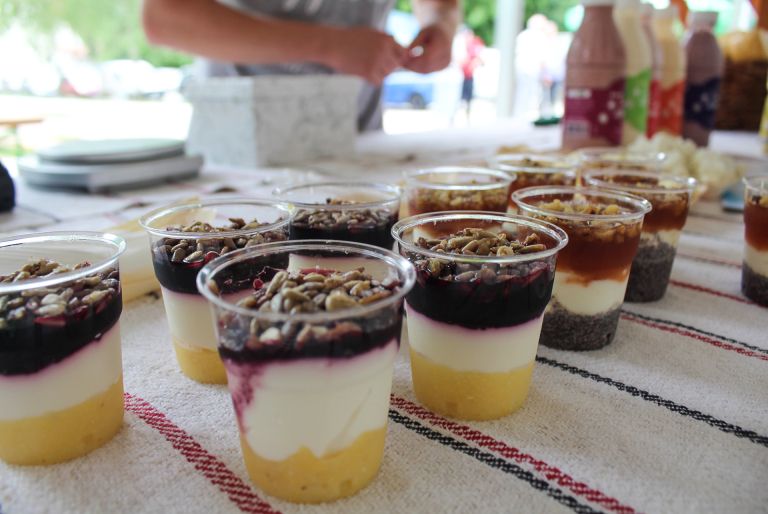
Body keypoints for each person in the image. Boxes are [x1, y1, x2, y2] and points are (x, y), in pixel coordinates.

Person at [142, 0, 460, 131]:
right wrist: (331, 45)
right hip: (240, 149)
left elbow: (441, 5)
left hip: (357, 141)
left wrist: (441, 24)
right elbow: (164, 16)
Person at [457, 27, 484, 118]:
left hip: (469, 75)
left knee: (468, 97)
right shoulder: (461, 44)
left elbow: (480, 57)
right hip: (461, 75)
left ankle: (466, 115)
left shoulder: (475, 44)